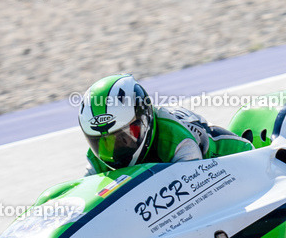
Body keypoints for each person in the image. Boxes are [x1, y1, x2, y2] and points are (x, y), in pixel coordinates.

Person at [77, 74, 252, 173]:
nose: (115, 150)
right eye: (103, 143)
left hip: (232, 160)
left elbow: (194, 191)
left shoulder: (177, 140)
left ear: (145, 120)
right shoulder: (97, 159)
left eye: (125, 137)